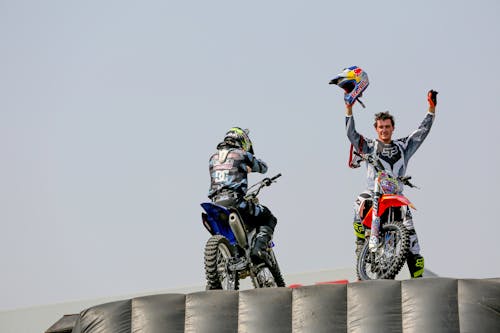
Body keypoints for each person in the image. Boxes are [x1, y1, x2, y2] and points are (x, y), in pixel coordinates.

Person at [344, 90, 438, 278]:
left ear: (393, 128)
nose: (384, 130)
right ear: (376, 129)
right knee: (359, 202)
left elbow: (422, 132)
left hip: (396, 196)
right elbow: (351, 135)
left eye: (387, 126)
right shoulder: (369, 146)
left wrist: (431, 109)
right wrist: (348, 108)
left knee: (412, 239)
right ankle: (361, 243)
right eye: (381, 127)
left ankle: (418, 280)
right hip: (374, 194)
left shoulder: (403, 147)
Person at [208, 127, 277, 264]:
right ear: (242, 140)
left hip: (215, 204)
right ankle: (258, 250)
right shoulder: (242, 154)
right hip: (236, 202)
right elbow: (263, 168)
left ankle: (235, 254)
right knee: (268, 218)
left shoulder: (213, 158)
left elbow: (226, 172)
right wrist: (251, 166)